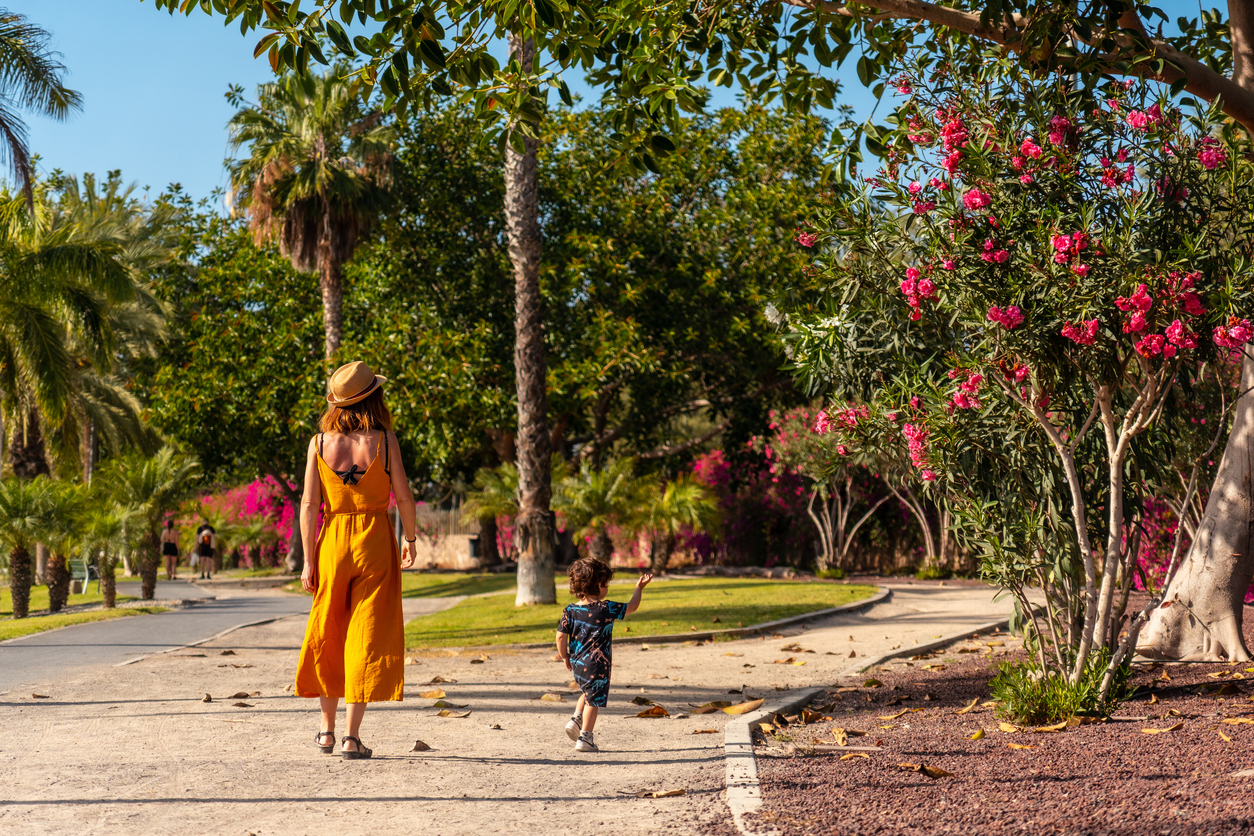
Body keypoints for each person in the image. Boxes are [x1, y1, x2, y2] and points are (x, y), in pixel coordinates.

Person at [295, 361, 418, 761]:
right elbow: (403, 496)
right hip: (375, 540)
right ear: (373, 397)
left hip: (331, 541)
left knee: (329, 628)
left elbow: (310, 504)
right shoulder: (384, 440)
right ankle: (351, 738)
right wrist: (410, 538)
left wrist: (308, 559)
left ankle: (325, 733)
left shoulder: (318, 443)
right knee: (367, 633)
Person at [556, 558, 653, 753]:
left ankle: (576, 719)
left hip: (577, 662)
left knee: (586, 691)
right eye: (606, 584)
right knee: (593, 699)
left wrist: (565, 655)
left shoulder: (570, 610)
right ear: (598, 585)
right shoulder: (606, 608)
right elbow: (631, 607)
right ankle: (585, 738)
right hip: (598, 664)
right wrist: (639, 588)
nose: (607, 588)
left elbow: (560, 636)